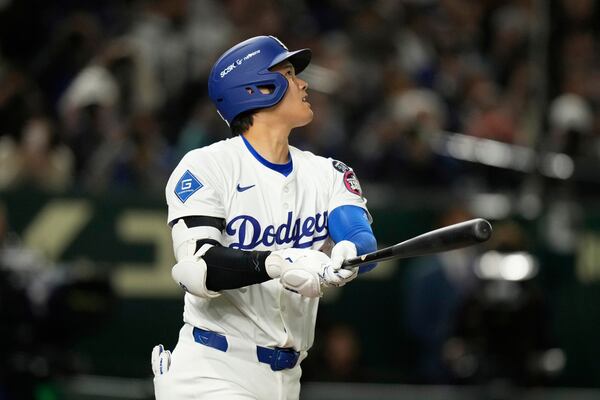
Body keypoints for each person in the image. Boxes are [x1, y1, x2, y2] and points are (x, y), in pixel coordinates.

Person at [151, 35, 378, 400]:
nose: (303, 83)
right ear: (256, 89)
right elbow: (197, 268)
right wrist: (276, 264)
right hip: (213, 368)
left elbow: (358, 233)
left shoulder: (327, 172)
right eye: (288, 74)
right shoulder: (206, 166)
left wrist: (348, 252)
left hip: (287, 378)